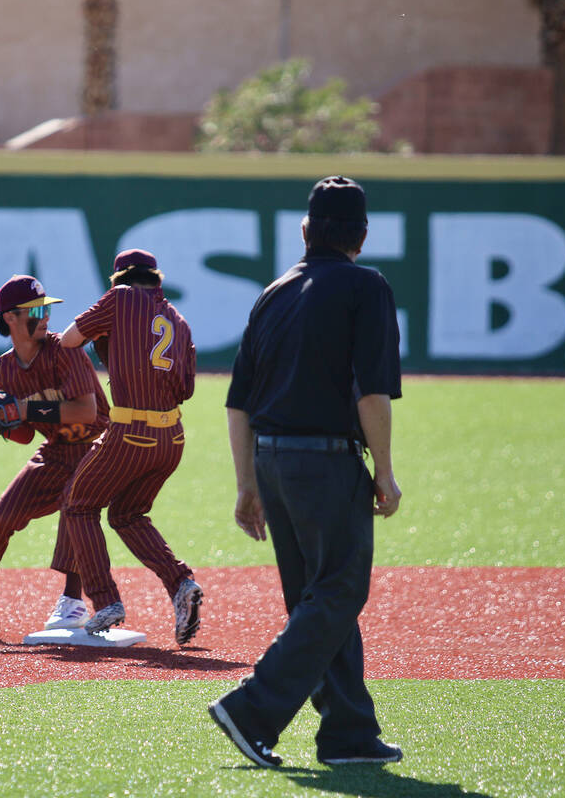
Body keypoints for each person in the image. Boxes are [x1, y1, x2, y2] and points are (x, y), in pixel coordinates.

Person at [209, 176, 404, 767]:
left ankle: (347, 734)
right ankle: (253, 708)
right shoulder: (366, 286)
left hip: (271, 461)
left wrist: (247, 484)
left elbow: (238, 402)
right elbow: (372, 393)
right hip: (324, 464)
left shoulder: (275, 291)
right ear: (362, 236)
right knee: (340, 591)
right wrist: (386, 472)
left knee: (317, 601)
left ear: (305, 230)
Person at [58, 249, 203, 647]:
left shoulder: (119, 299)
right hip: (171, 437)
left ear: (118, 279)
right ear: (156, 280)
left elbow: (70, 340)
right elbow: (185, 390)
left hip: (131, 431)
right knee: (128, 514)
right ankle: (180, 583)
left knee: (78, 503)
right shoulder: (178, 318)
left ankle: (106, 602)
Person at [0, 274, 111, 635]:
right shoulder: (4, 369)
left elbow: (86, 411)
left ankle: (72, 600)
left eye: (45, 308)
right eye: (35, 310)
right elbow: (24, 435)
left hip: (98, 445)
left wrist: (23, 410)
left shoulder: (64, 353)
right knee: (0, 516)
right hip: (56, 449)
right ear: (10, 318)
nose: (45, 316)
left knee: (76, 505)